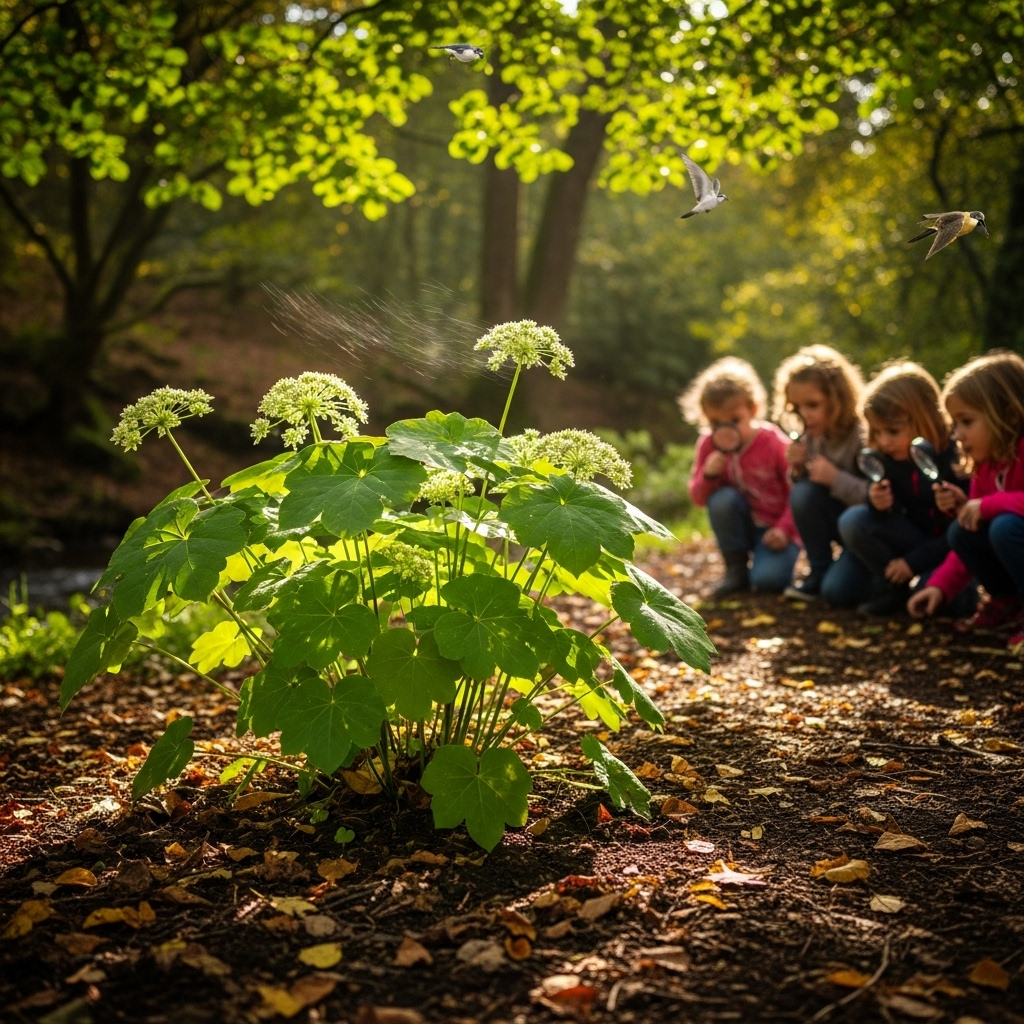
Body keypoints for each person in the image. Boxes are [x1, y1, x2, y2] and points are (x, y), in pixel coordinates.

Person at [834, 361, 972, 616]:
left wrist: (913, 563)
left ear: (924, 419)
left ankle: (920, 584)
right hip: (912, 540)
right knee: (851, 529)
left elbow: (963, 532)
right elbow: (890, 520)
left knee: (946, 604)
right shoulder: (888, 460)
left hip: (950, 552)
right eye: (878, 432)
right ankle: (893, 588)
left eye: (893, 431)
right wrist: (878, 504)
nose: (884, 441)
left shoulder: (956, 459)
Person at [908, 351, 1024, 646]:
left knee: (1004, 527)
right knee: (962, 528)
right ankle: (1008, 606)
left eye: (966, 422)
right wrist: (940, 587)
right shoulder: (985, 468)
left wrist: (987, 506)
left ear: (1008, 415)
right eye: (955, 424)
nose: (957, 435)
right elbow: (967, 542)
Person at [683, 357, 801, 597]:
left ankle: (765, 564)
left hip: (776, 528)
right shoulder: (708, 444)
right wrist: (708, 475)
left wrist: (785, 529)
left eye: (735, 420)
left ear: (753, 409)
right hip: (741, 525)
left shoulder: (773, 442)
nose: (726, 429)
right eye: (716, 422)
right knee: (722, 499)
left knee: (768, 582)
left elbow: (797, 491)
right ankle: (735, 570)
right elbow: (698, 498)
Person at [770, 345, 869, 600]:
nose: (805, 415)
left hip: (863, 532)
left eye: (813, 405)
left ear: (838, 399)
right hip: (836, 520)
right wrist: (799, 469)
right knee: (802, 492)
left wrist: (835, 478)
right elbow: (806, 499)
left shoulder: (864, 434)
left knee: (837, 592)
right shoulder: (811, 435)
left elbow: (878, 499)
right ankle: (819, 569)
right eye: (796, 408)